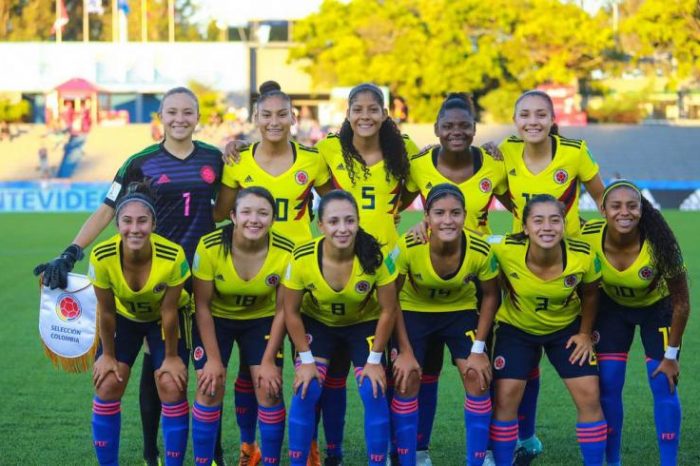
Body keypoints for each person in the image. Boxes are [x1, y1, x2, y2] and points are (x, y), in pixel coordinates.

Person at [34, 87, 226, 466]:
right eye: (172, 112)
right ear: (160, 117)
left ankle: (211, 452)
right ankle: (150, 453)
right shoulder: (140, 161)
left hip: (192, 281)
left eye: (188, 112)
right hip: (139, 276)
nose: (180, 119)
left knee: (186, 372)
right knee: (150, 371)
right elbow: (107, 210)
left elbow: (227, 208)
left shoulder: (215, 159)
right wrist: (72, 251)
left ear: (198, 116)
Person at [484, 89, 606, 464]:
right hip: (527, 262)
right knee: (512, 385)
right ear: (516, 120)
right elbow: (492, 195)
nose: (532, 122)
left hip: (569, 264)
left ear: (553, 120)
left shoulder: (574, 151)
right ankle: (510, 448)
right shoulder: (504, 152)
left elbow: (605, 200)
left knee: (591, 393)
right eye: (524, 115)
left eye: (541, 115)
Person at [400, 93, 511, 465]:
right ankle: (416, 450)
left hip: (473, 282)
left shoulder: (494, 165)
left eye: (465, 125)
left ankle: (488, 451)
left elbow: (525, 207)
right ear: (436, 130)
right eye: (448, 126)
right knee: (419, 373)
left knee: (481, 371)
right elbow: (390, 203)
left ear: (475, 129)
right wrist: (422, 224)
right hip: (423, 283)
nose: (457, 132)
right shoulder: (418, 165)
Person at [283, 190, 399, 466]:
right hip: (319, 325)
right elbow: (290, 311)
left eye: (350, 221)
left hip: (362, 325)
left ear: (359, 221)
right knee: (307, 387)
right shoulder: (302, 257)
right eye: (334, 222)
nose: (343, 228)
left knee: (373, 387)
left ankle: (376, 462)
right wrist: (306, 360)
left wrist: (374, 360)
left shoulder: (376, 257)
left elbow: (388, 310)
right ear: (320, 225)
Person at [490, 194, 606, 466]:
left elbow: (591, 295)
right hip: (516, 330)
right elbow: (463, 239)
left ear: (564, 225)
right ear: (525, 227)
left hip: (565, 330)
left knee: (590, 395)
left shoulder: (584, 255)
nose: (547, 228)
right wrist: (423, 228)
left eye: (555, 220)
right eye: (538, 221)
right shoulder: (503, 247)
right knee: (506, 397)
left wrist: (585, 333)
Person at [581, 180, 689, 466]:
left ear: (642, 209)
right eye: (615, 206)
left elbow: (682, 302)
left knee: (663, 383)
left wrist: (671, 355)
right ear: (603, 210)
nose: (624, 212)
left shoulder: (660, 244)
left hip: (658, 310)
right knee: (609, 383)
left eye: (632, 205)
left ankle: (669, 463)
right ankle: (612, 461)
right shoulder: (588, 235)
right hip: (613, 310)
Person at [391, 184, 500, 466]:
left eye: (455, 213)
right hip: (414, 312)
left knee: (477, 376)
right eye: (439, 213)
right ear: (426, 216)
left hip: (460, 312)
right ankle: (410, 455)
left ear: (465, 215)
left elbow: (490, 295)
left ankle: (478, 458)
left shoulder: (479, 249)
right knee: (406, 378)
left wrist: (478, 349)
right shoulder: (409, 245)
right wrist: (403, 350)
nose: (447, 220)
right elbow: (390, 297)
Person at [87, 183, 191, 466]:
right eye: (127, 221)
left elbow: (169, 312)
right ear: (117, 224)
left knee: (171, 383)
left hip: (162, 320)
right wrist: (108, 355)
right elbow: (106, 312)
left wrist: (170, 358)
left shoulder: (173, 256)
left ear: (154, 224)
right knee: (108, 383)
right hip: (125, 319)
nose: (135, 228)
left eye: (143, 221)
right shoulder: (101, 256)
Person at [191, 187, 292, 465]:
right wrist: (213, 360)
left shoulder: (286, 252)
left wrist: (269, 359)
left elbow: (284, 309)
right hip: (216, 320)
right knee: (210, 387)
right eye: (246, 212)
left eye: (263, 213)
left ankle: (261, 456)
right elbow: (201, 306)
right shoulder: (209, 246)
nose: (254, 219)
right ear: (233, 216)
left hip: (261, 321)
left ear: (273, 218)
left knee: (269, 389)